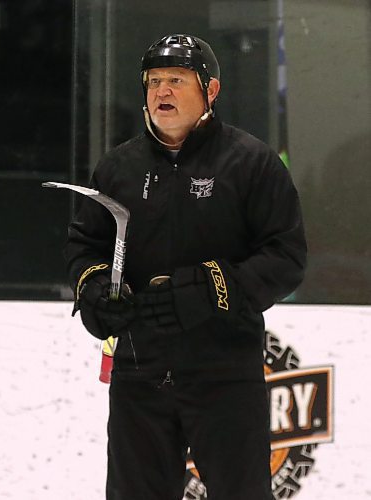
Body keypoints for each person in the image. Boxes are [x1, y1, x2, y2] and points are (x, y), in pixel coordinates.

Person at [64, 34, 307, 500]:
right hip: (139, 372)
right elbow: (85, 246)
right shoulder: (118, 168)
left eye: (176, 80)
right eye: (154, 81)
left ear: (210, 90)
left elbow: (287, 257)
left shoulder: (251, 162)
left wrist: (215, 288)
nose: (162, 92)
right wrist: (93, 289)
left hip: (225, 374)